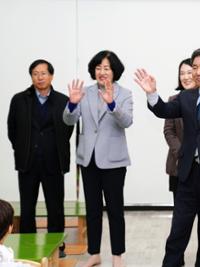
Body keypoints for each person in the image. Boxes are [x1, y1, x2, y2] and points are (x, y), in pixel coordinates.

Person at [135, 47, 200, 267]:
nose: (198, 72)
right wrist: (151, 94)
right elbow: (164, 110)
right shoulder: (186, 96)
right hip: (188, 174)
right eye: (195, 67)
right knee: (178, 232)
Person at [63, 50, 133, 267]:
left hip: (113, 161)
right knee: (92, 209)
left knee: (114, 210)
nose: (102, 72)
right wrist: (72, 104)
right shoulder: (84, 92)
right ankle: (94, 253)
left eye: (107, 68)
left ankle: (117, 255)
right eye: (98, 68)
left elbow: (127, 121)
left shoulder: (124, 93)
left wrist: (112, 104)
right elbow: (68, 120)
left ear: (115, 72)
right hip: (89, 159)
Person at [7, 60, 73, 247]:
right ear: (31, 76)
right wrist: (22, 148)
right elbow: (12, 129)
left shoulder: (62, 100)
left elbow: (67, 130)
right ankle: (28, 247)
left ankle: (57, 247)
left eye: (43, 73)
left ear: (51, 76)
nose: (40, 77)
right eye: (35, 73)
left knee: (55, 208)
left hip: (53, 162)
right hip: (28, 163)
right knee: (27, 209)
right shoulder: (19, 99)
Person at [163, 58, 200, 266]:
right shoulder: (174, 99)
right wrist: (183, 152)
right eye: (182, 73)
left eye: (190, 72)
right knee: (180, 222)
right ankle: (176, 260)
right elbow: (168, 131)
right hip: (179, 167)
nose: (186, 76)